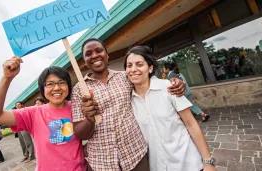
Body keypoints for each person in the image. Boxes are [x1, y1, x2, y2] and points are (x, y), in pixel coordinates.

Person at [72, 38, 185, 171]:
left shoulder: (125, 76)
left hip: (136, 157)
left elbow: (147, 82)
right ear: (84, 61)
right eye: (88, 54)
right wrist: (89, 119)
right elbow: (80, 134)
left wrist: (172, 82)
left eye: (99, 51)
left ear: (107, 55)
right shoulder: (79, 89)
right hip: (101, 163)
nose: (95, 55)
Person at [0, 57, 87, 171]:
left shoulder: (78, 107)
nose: (57, 88)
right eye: (50, 84)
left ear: (68, 86)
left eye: (62, 82)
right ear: (42, 89)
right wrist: (6, 78)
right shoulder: (32, 113)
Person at [124, 46, 216, 171]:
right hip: (157, 166)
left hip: (188, 163)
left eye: (139, 64)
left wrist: (208, 161)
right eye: (129, 66)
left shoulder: (168, 88)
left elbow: (191, 124)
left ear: (150, 68)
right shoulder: (128, 99)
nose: (133, 69)